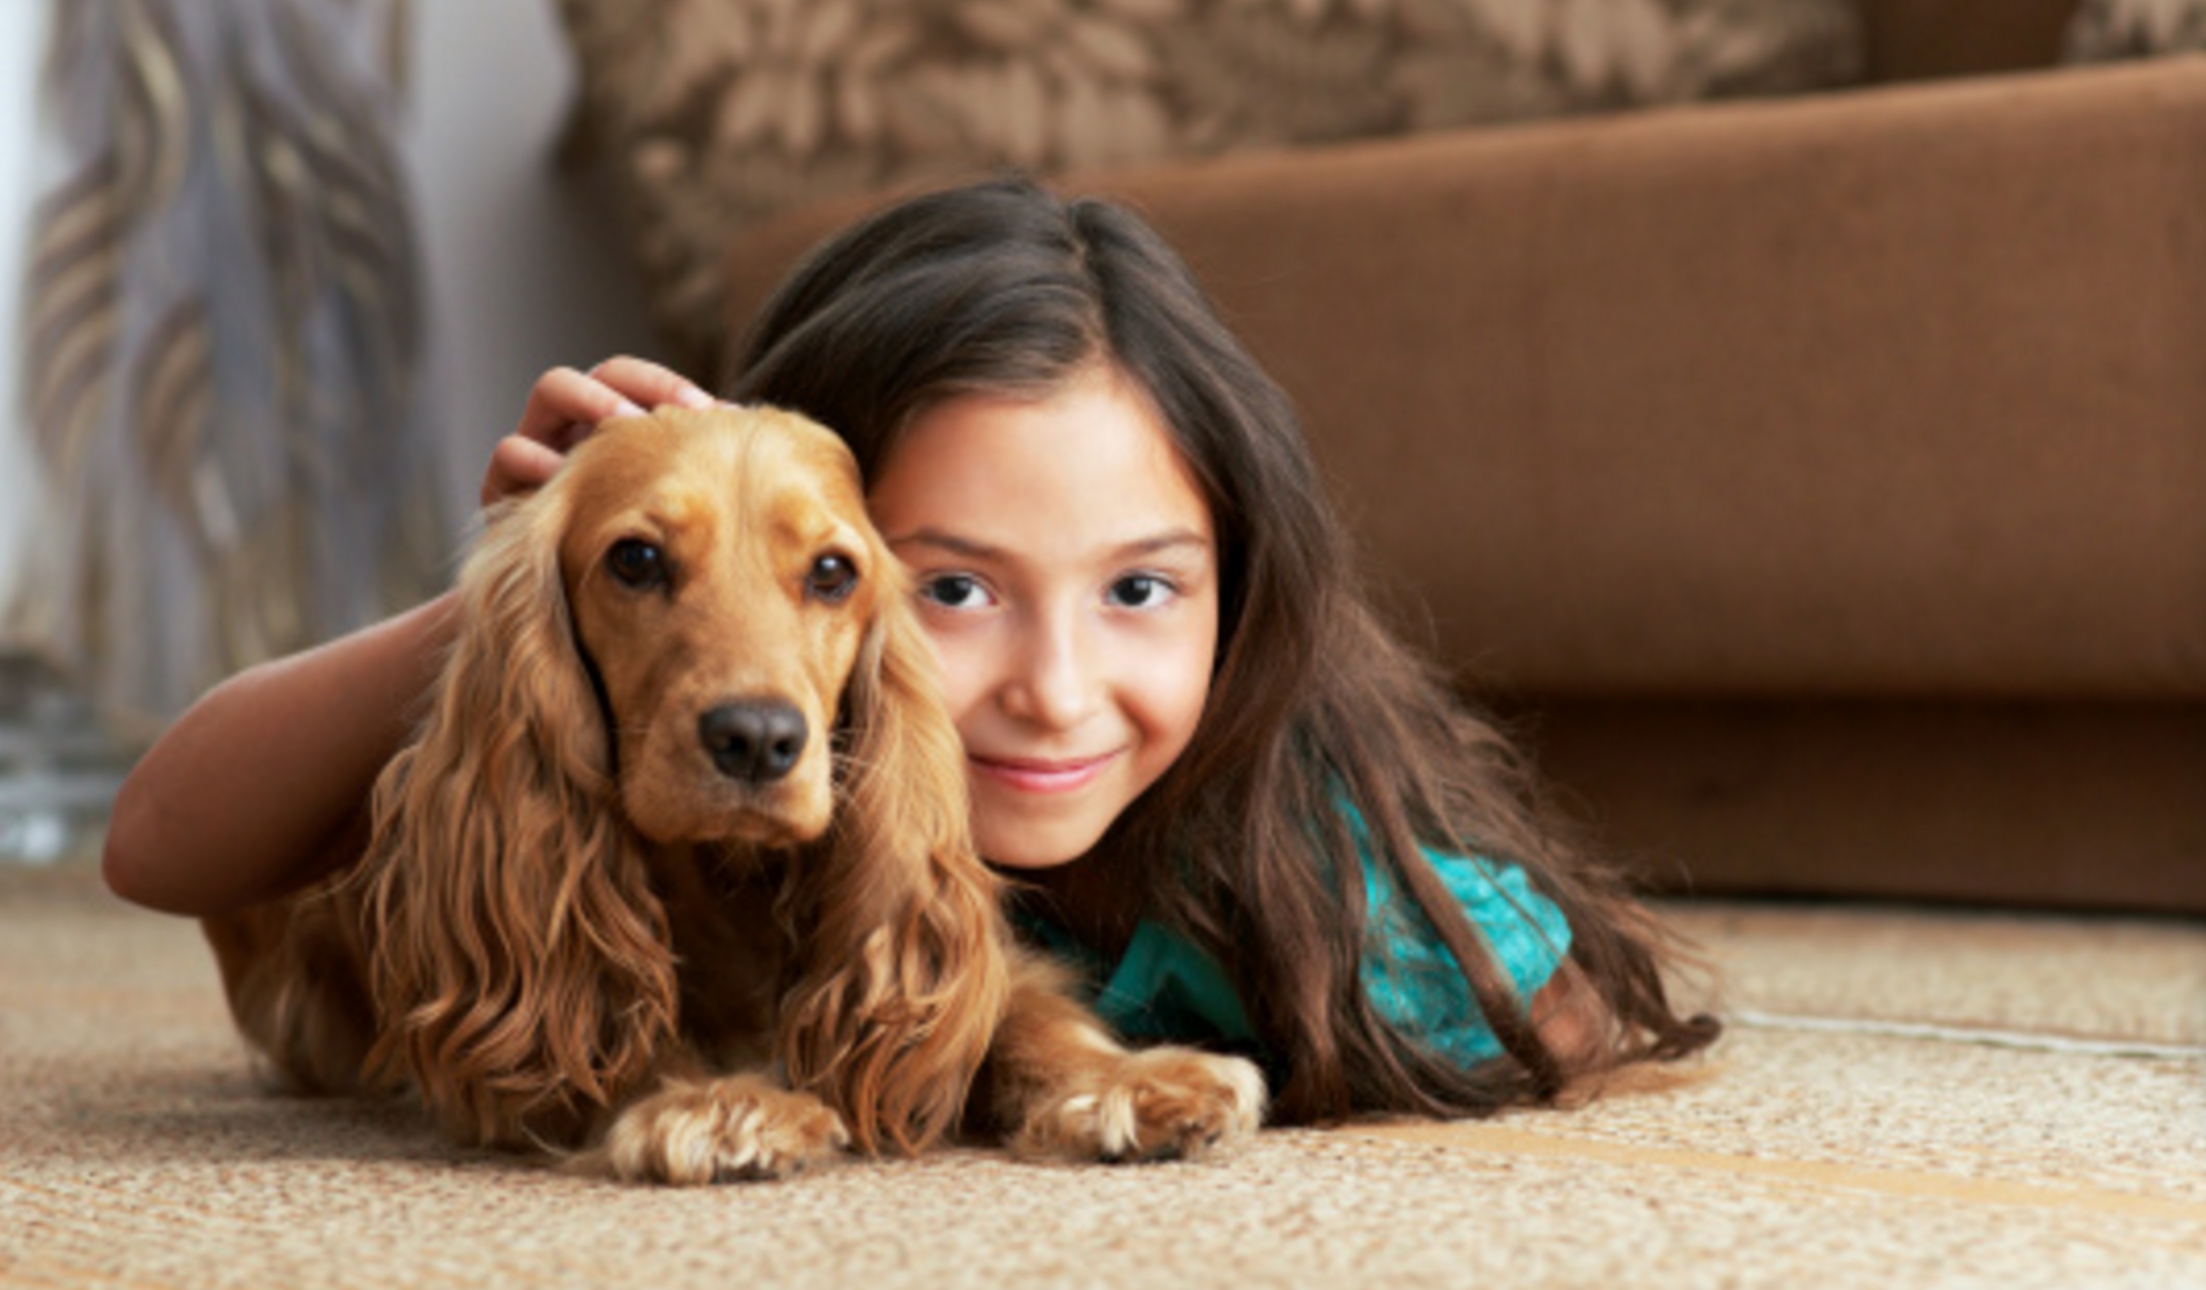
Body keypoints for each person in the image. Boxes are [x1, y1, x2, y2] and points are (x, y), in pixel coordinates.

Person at [104, 176, 1718, 1125]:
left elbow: (1556, 1016)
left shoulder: (1274, 832)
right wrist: (548, 566)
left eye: (1141, 590)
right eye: (949, 590)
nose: (1055, 686)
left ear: (1241, 587)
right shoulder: (633, 706)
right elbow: (161, 843)